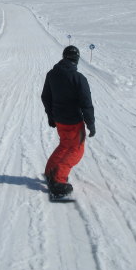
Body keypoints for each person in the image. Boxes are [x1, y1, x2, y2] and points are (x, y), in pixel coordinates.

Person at [41, 45, 95, 196]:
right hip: (74, 122)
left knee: (65, 145)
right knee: (76, 150)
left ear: (64, 57)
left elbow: (46, 97)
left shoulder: (52, 74)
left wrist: (51, 116)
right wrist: (91, 124)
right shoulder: (78, 78)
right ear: (76, 59)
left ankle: (50, 171)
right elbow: (86, 103)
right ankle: (57, 180)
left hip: (60, 121)